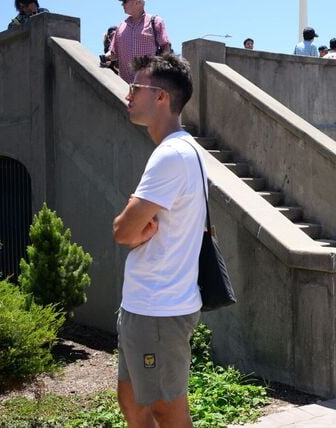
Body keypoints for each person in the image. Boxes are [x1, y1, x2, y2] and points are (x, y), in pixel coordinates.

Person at [112, 53, 202, 427]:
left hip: (159, 309)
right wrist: (134, 230)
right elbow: (132, 230)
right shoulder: (182, 150)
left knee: (167, 410)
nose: (128, 94)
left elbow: (122, 230)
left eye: (135, 87)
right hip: (146, 306)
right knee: (132, 403)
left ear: (161, 97)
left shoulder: (171, 156)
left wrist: (132, 230)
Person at [107, 0, 172, 83]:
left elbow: (165, 48)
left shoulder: (155, 21)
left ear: (137, 2)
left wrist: (163, 74)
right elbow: (114, 53)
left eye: (125, 1)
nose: (122, 4)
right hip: (124, 85)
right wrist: (105, 58)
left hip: (149, 85)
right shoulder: (121, 26)